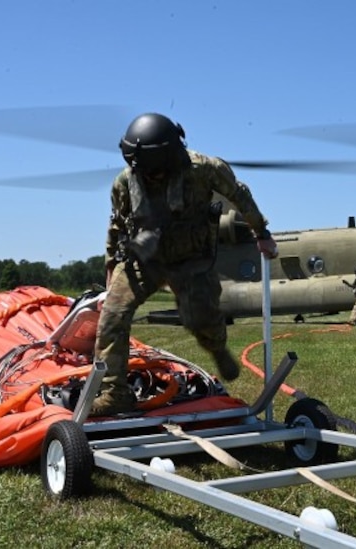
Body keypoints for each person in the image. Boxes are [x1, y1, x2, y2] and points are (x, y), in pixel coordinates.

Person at [90, 113, 278, 416]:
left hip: (192, 259)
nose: (148, 177)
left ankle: (217, 348)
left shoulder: (204, 169)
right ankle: (115, 392)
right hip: (145, 260)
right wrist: (112, 264)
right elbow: (117, 224)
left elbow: (240, 195)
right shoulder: (126, 181)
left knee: (201, 321)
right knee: (113, 318)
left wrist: (262, 233)